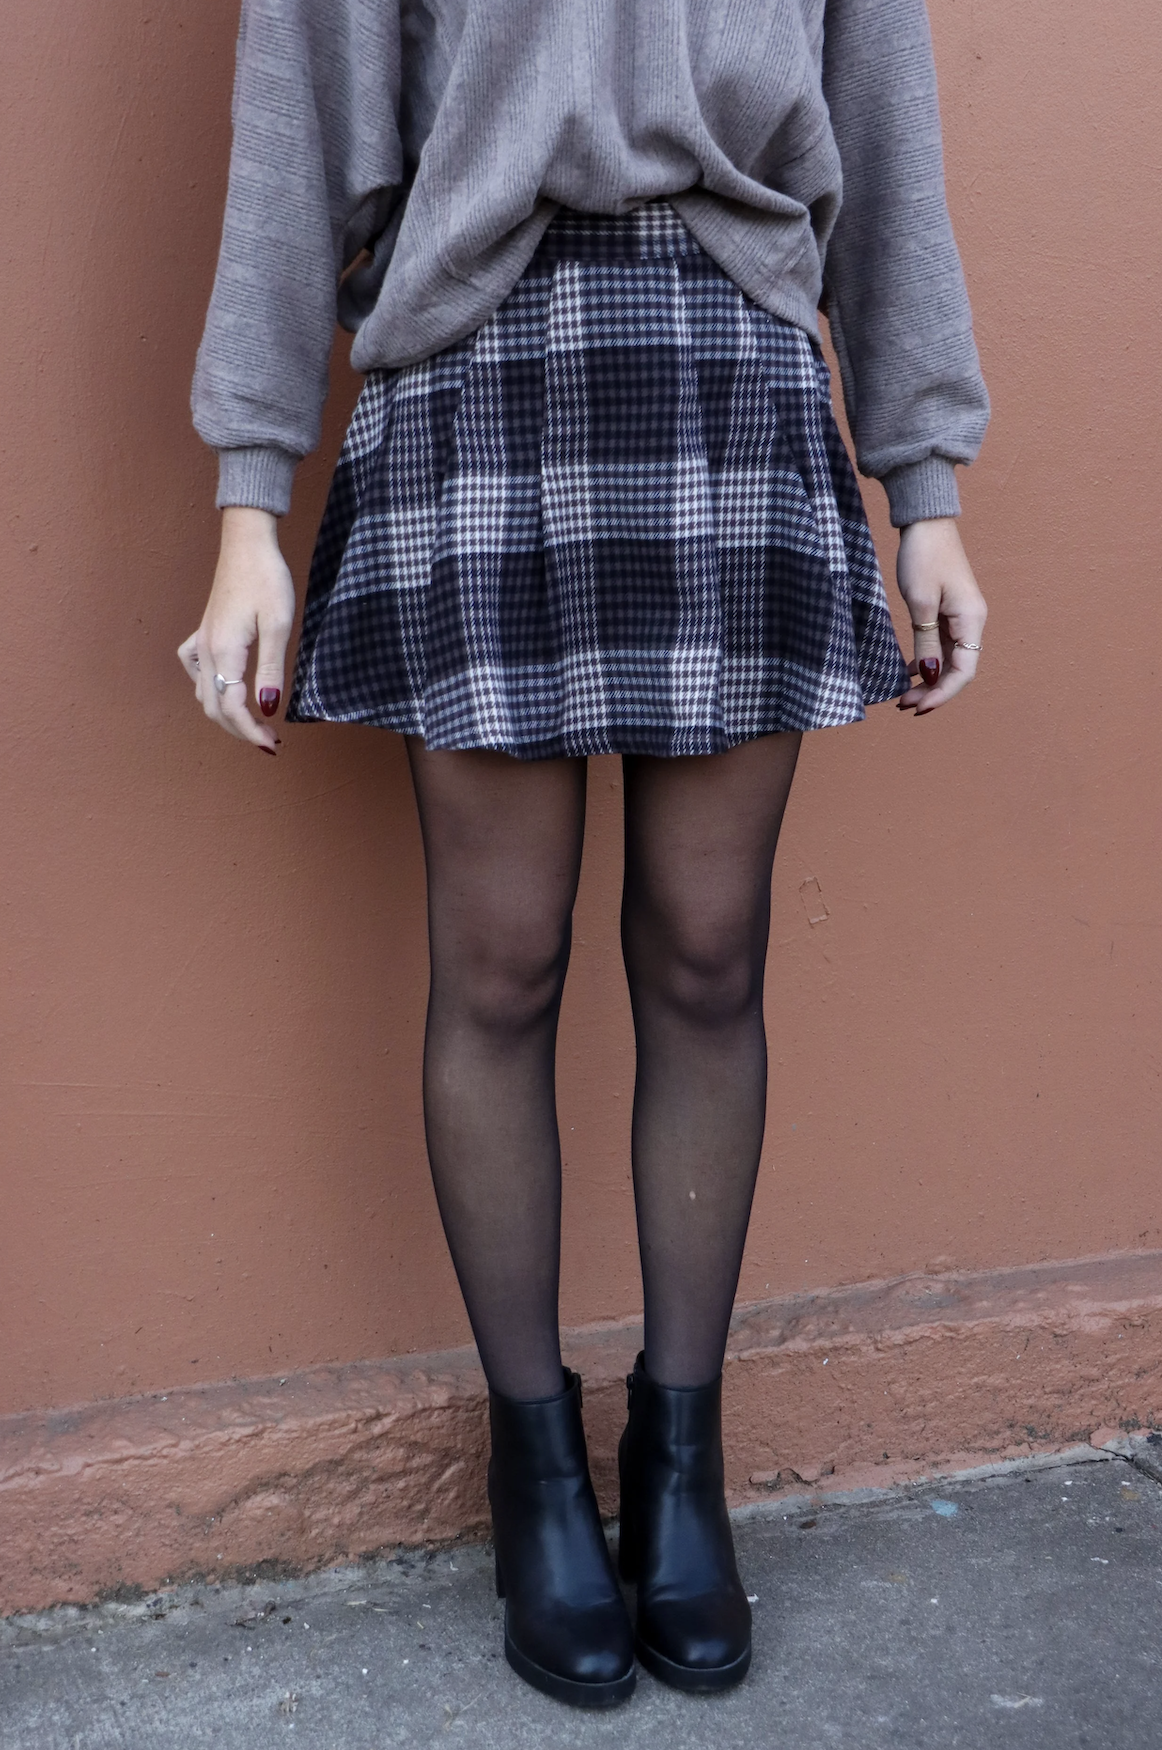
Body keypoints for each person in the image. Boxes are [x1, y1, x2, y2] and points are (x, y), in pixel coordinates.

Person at [179, 0, 989, 1710]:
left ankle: (680, 1462)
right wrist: (252, 502)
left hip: (735, 352)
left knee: (708, 950)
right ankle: (534, 1466)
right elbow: (297, 127)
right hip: (472, 362)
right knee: (501, 958)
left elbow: (881, 116)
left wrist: (924, 480)